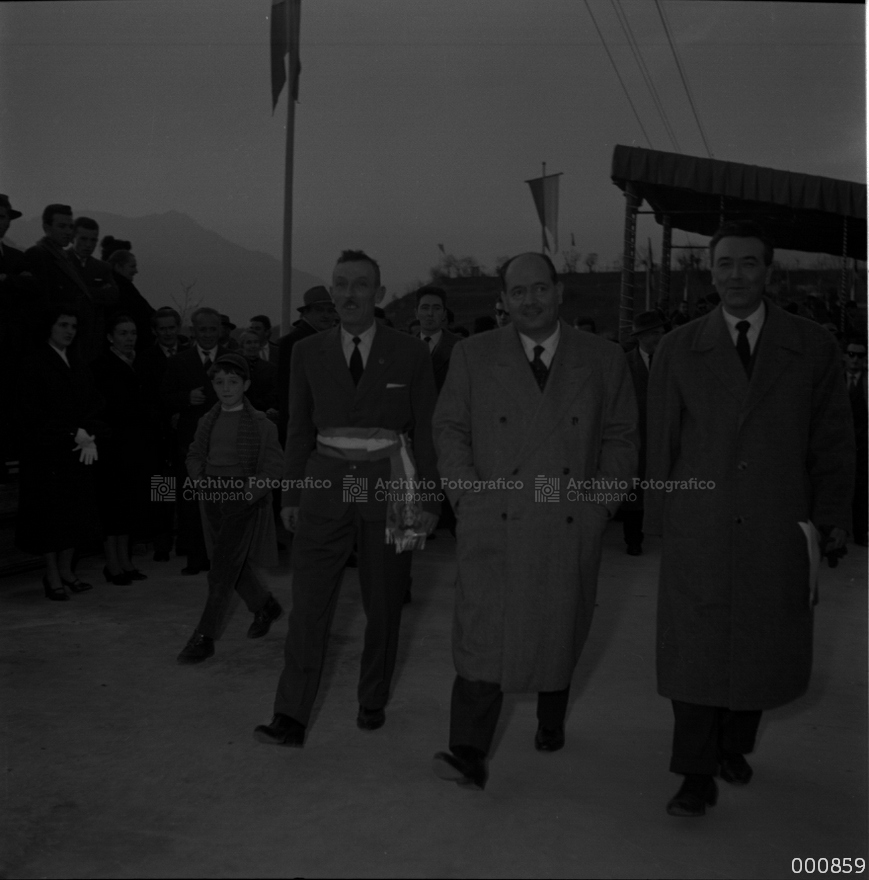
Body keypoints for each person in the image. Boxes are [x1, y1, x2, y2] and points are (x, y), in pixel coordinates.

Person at [645, 220, 855, 818]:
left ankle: (734, 746)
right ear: (709, 272)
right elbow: (661, 439)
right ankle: (693, 774)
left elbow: (832, 441)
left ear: (769, 271)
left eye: (747, 264)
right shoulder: (679, 347)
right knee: (695, 653)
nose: (734, 275)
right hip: (701, 525)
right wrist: (660, 518)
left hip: (775, 524)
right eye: (724, 264)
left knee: (761, 646)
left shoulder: (812, 346)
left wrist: (832, 514)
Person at [430, 252, 639, 790]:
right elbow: (449, 428)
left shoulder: (602, 357)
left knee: (558, 625)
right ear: (503, 299)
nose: (530, 300)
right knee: (483, 634)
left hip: (567, 516)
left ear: (560, 291)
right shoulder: (473, 355)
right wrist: (467, 497)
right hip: (493, 515)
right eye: (518, 292)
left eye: (540, 289)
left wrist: (600, 507)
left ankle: (550, 719)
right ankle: (469, 751)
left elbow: (621, 439)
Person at [253, 249, 440, 747]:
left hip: (391, 486)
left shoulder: (410, 353)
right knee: (309, 604)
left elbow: (425, 432)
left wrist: (428, 499)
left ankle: (372, 697)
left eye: (361, 285)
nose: (350, 293)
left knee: (384, 604)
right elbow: (296, 428)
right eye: (341, 284)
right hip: (324, 487)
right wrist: (289, 493)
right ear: (331, 293)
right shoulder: (306, 352)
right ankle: (290, 714)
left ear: (379, 295)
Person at [176, 353, 285, 663]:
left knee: (221, 570)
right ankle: (264, 606)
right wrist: (201, 480)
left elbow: (275, 468)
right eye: (219, 382)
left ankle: (204, 636)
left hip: (242, 500)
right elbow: (194, 455)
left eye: (233, 382)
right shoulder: (207, 421)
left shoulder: (262, 424)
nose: (226, 388)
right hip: (211, 497)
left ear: (246, 385)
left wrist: (248, 493)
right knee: (228, 563)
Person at [16, 306, 105, 600]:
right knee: (50, 518)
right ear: (50, 327)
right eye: (63, 325)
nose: (69, 331)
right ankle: (52, 573)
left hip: (78, 452)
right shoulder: (34, 363)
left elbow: (92, 403)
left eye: (74, 326)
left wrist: (89, 432)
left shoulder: (78, 363)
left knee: (75, 514)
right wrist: (69, 432)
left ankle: (67, 570)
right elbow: (31, 412)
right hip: (47, 453)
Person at [160, 307, 227, 575]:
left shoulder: (233, 360)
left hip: (225, 443)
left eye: (213, 329)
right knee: (191, 504)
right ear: (192, 332)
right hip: (192, 444)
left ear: (220, 331)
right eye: (203, 330)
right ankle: (196, 558)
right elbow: (164, 398)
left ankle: (222, 559)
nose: (208, 335)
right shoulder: (179, 361)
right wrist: (185, 398)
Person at [91, 314, 151, 584]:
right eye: (123, 333)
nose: (129, 338)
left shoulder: (137, 363)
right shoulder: (102, 366)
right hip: (112, 446)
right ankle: (112, 563)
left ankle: (126, 560)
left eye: (133, 333)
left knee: (129, 504)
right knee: (112, 506)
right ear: (110, 337)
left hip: (135, 445)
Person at [138, 307, 189, 561]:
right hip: (159, 434)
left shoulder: (191, 354)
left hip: (188, 432)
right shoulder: (146, 359)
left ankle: (185, 540)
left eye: (171, 327)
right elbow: (146, 397)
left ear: (178, 327)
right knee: (163, 489)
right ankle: (162, 542)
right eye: (162, 329)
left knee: (186, 490)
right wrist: (166, 417)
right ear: (154, 331)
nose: (168, 333)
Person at [620, 310, 667, 556]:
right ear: (642, 337)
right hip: (635, 437)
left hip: (664, 435)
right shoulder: (624, 363)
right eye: (656, 333)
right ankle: (633, 539)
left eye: (661, 332)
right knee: (633, 490)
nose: (661, 337)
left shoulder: (671, 360)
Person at [275, 285, 336, 445]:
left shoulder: (332, 341)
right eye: (319, 310)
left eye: (330, 311)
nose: (326, 315)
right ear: (305, 313)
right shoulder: (293, 343)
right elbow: (288, 391)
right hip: (305, 431)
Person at [21, 205, 92, 336]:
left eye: (70, 227)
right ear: (47, 228)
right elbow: (41, 304)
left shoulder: (64, 257)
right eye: (62, 226)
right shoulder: (38, 255)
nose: (68, 232)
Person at [65, 217, 119, 361]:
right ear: (72, 238)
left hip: (93, 338)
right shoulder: (61, 263)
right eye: (83, 239)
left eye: (93, 240)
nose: (88, 245)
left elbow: (113, 296)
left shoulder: (102, 268)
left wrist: (80, 290)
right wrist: (98, 292)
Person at [843, 338, 868, 546]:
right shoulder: (835, 380)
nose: (855, 360)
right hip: (837, 445)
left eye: (860, 356)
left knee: (861, 490)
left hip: (863, 445)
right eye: (851, 354)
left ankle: (860, 533)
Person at [106, 249, 155, 354]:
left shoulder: (121, 287)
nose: (136, 271)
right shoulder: (122, 289)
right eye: (132, 266)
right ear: (118, 267)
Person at [415, 286, 459, 394]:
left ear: (444, 314)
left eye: (436, 308)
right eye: (425, 308)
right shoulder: (404, 348)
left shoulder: (460, 346)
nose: (430, 313)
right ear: (416, 313)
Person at [238, 329, 279, 416]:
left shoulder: (271, 368)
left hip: (265, 412)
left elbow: (275, 392)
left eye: (255, 342)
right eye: (249, 343)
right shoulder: (236, 368)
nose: (253, 346)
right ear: (242, 346)